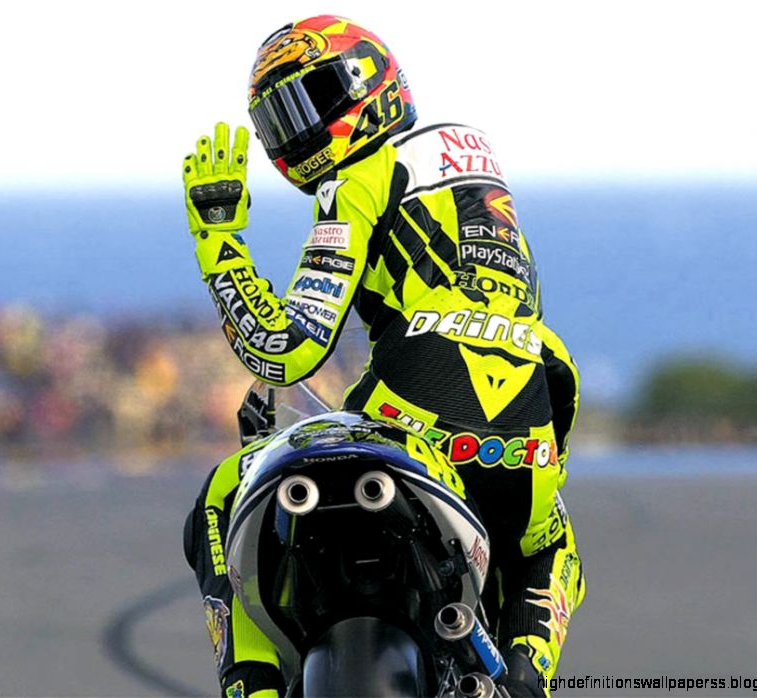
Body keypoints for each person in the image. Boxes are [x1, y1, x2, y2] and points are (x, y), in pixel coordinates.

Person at [182, 15, 585, 697]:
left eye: (312, 100)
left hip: (411, 426)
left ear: (368, 85)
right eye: (282, 119)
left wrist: (219, 242)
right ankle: (525, 677)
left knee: (224, 493)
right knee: (550, 543)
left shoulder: (363, 177)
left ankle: (249, 686)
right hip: (528, 446)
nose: (300, 132)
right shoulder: (484, 189)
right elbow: (545, 356)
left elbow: (287, 351)